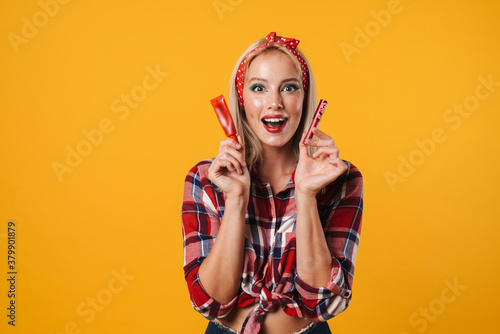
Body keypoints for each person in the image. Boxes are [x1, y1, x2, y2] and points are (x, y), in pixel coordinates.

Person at [182, 32, 363, 334]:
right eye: (259, 88)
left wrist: (306, 193)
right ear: (241, 101)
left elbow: (321, 302)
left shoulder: (339, 179)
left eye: (289, 88)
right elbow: (210, 302)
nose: (275, 103)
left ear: (305, 100)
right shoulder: (207, 178)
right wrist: (237, 198)